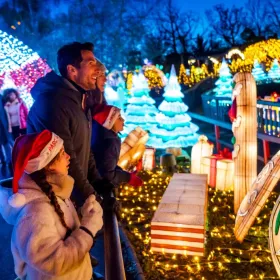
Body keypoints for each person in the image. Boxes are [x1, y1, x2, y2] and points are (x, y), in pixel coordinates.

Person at [0, 130, 103, 280]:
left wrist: (83, 215)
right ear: (46, 165)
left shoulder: (54, 195)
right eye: (62, 153)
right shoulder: (35, 213)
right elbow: (55, 262)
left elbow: (62, 231)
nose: (68, 157)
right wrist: (89, 227)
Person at [27, 42, 103, 206]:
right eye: (91, 64)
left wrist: (99, 183)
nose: (97, 69)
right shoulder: (53, 103)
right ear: (72, 70)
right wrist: (92, 199)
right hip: (56, 203)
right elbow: (68, 158)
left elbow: (85, 150)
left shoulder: (80, 100)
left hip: (74, 199)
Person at [91, 104, 143, 188]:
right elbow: (107, 174)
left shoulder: (107, 138)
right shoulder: (109, 142)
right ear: (110, 122)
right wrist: (128, 178)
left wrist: (125, 174)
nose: (123, 120)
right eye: (119, 118)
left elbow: (108, 166)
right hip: (102, 188)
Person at [0, 93, 12, 165]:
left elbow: (7, 101)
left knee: (6, 141)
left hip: (3, 123)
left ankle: (9, 159)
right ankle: (3, 160)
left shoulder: (1, 97)